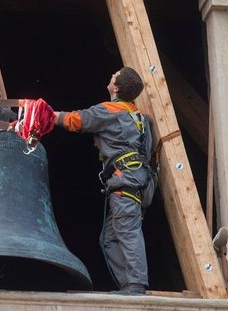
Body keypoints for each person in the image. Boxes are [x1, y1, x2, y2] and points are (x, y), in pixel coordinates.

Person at [53, 67, 155, 295]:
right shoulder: (139, 118)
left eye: (114, 76)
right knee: (109, 238)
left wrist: (45, 114)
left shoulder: (110, 110)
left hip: (125, 182)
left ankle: (136, 286)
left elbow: (77, 120)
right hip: (140, 183)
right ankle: (129, 285)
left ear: (116, 87)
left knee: (127, 231)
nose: (110, 76)